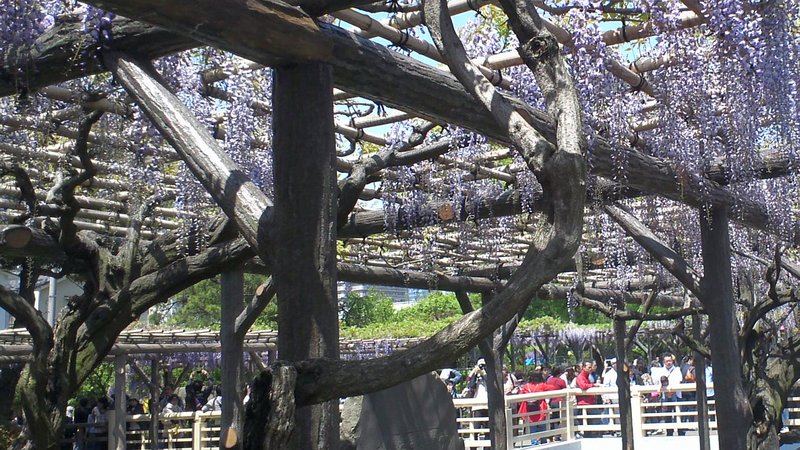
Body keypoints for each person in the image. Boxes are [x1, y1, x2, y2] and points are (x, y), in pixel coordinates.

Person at [518, 372, 559, 444]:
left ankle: (534, 443)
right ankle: (543, 442)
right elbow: (553, 388)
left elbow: (520, 396)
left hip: (529, 410)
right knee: (542, 426)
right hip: (540, 409)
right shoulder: (541, 385)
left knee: (532, 427)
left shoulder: (526, 386)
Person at [575, 361, 601, 437]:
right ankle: (592, 435)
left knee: (591, 422)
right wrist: (594, 385)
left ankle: (593, 436)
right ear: (583, 368)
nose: (590, 369)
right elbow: (583, 386)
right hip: (584, 403)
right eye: (589, 367)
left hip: (590, 402)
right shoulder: (580, 377)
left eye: (591, 367)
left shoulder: (588, 376)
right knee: (594, 420)